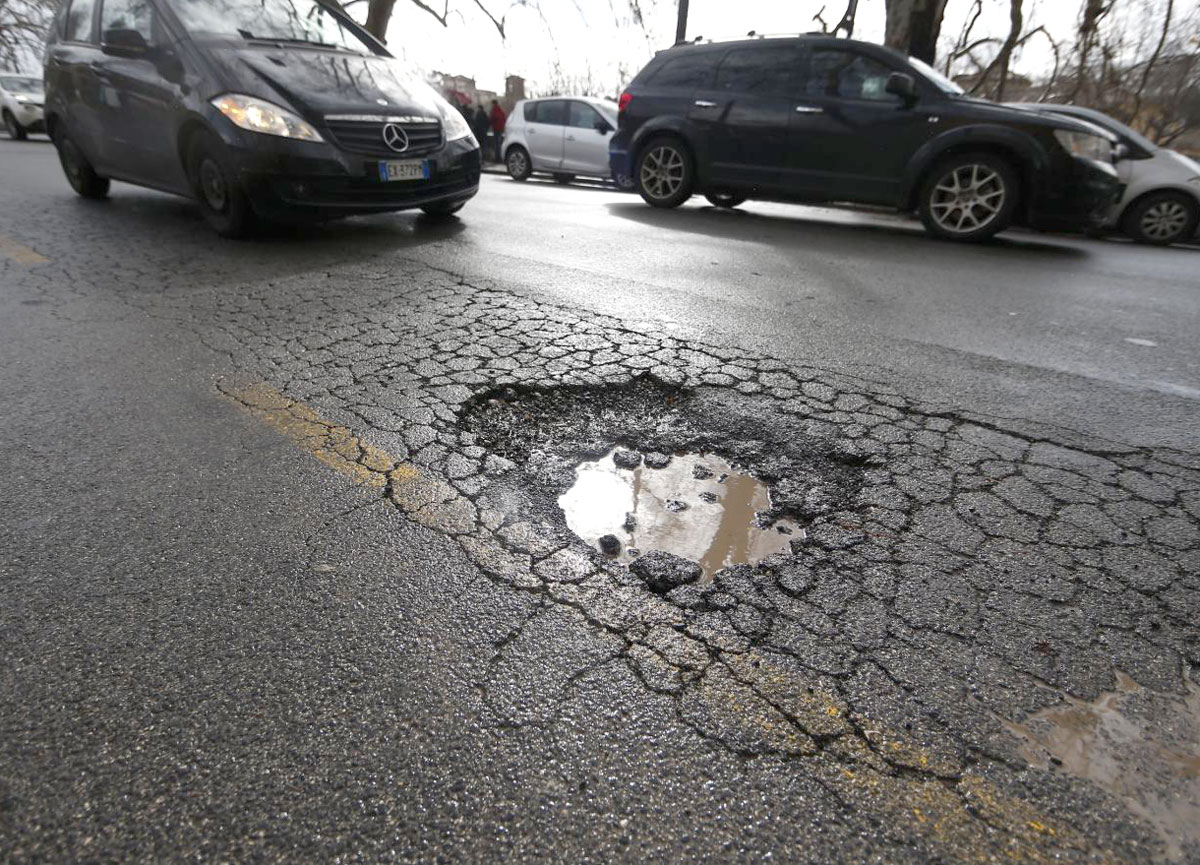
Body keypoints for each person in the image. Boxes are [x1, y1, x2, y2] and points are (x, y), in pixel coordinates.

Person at [488, 99, 507, 164]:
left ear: (493, 104)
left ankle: (497, 158)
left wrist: (489, 124)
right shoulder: (500, 110)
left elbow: (491, 119)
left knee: (496, 144)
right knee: (499, 143)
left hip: (496, 128)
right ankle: (500, 157)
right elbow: (504, 118)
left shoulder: (494, 110)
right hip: (501, 128)